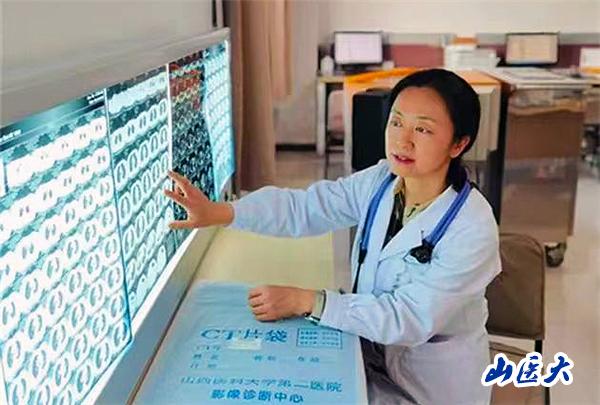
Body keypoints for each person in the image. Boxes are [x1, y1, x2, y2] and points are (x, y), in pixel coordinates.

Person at [164, 69, 501, 404]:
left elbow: (409, 318)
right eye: (397, 122)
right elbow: (305, 208)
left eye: (423, 129)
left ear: (459, 144)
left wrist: (309, 301)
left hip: (432, 387)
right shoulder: (380, 181)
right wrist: (222, 212)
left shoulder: (472, 225)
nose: (403, 140)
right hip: (367, 357)